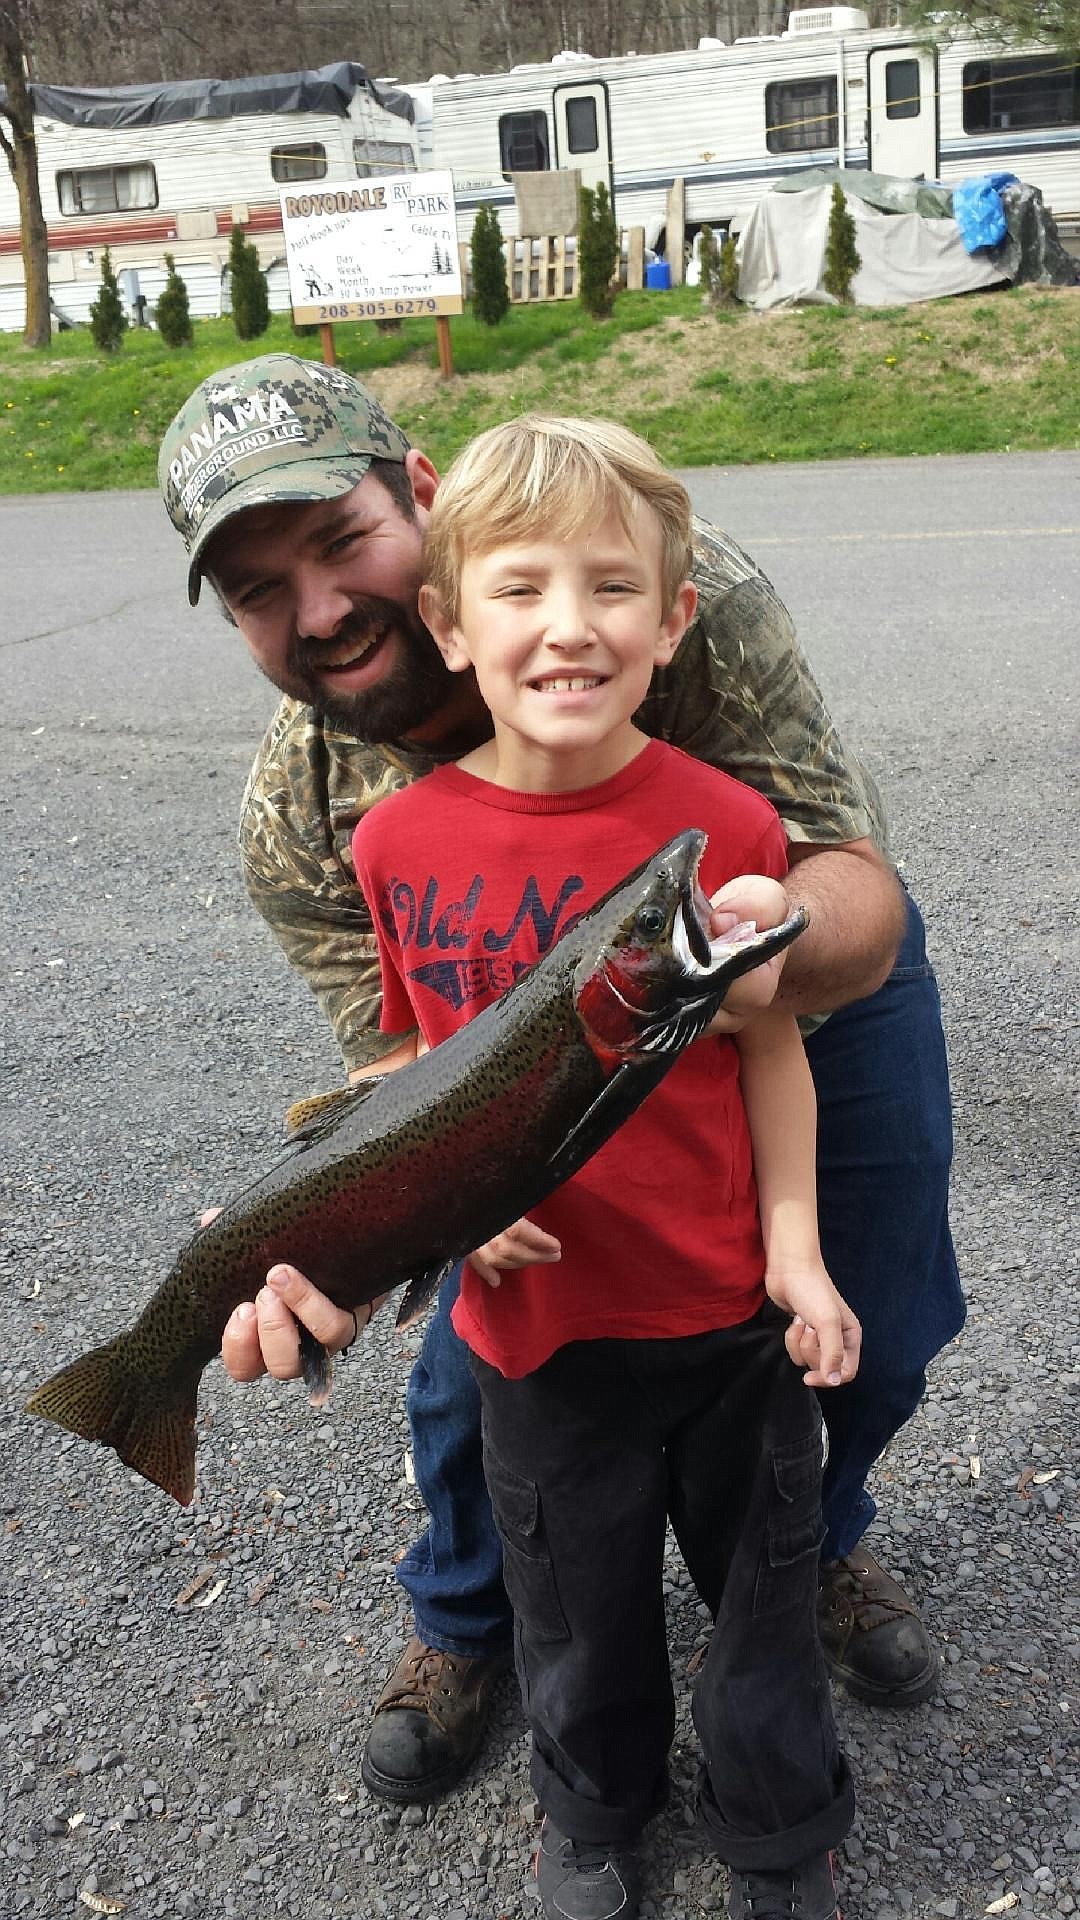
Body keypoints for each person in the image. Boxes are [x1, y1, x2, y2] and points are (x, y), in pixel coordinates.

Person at [157, 352, 964, 1808]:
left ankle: (808, 1544)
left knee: (878, 1320)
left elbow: (854, 874)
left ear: (421, 493)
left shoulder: (643, 567)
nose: (322, 610)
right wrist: (367, 1235)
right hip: (529, 1070)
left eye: (341, 543)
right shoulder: (308, 814)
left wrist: (772, 953)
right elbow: (409, 1080)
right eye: (262, 591)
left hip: (791, 968)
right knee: (486, 1357)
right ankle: (469, 1625)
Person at [346, 411, 858, 1920]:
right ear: (447, 623)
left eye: (611, 588)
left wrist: (800, 1254)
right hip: (536, 1346)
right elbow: (411, 1078)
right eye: (517, 589)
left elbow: (774, 1050)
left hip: (724, 1329)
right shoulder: (398, 844)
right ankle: (592, 1813)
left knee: (764, 1599)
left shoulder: (727, 827)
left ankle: (779, 1826)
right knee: (575, 1611)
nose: (568, 627)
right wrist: (448, 1220)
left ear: (672, 617)